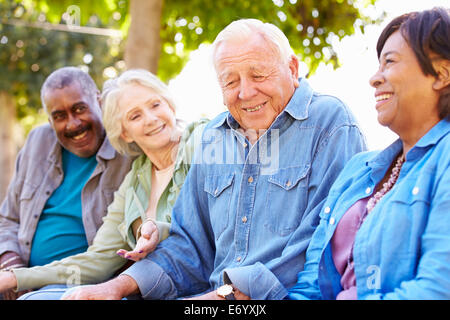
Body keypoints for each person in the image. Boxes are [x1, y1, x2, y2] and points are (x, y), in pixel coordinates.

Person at [61, 18, 366, 300]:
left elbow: (322, 242)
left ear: (293, 68)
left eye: (258, 74)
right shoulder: (214, 137)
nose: (245, 92)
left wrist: (224, 296)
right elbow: (188, 246)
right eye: (230, 82)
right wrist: (115, 288)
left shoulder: (330, 123)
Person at [0, 69, 208, 299]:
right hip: (123, 286)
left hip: (180, 290)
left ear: (170, 105)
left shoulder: (200, 142)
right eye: (135, 116)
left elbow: (196, 236)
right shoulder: (135, 180)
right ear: (124, 133)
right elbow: (98, 259)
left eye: (156, 104)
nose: (150, 118)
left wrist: (159, 231)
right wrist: (14, 277)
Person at [286, 7, 450, 300]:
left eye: (390, 62)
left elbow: (438, 289)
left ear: (441, 74)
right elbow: (310, 284)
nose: (375, 78)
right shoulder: (357, 170)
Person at [0, 67, 133, 299]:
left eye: (79, 109)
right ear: (50, 120)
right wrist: (12, 267)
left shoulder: (128, 150)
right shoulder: (37, 142)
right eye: (59, 116)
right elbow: (8, 219)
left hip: (84, 285)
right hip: (19, 281)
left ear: (99, 101)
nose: (72, 124)